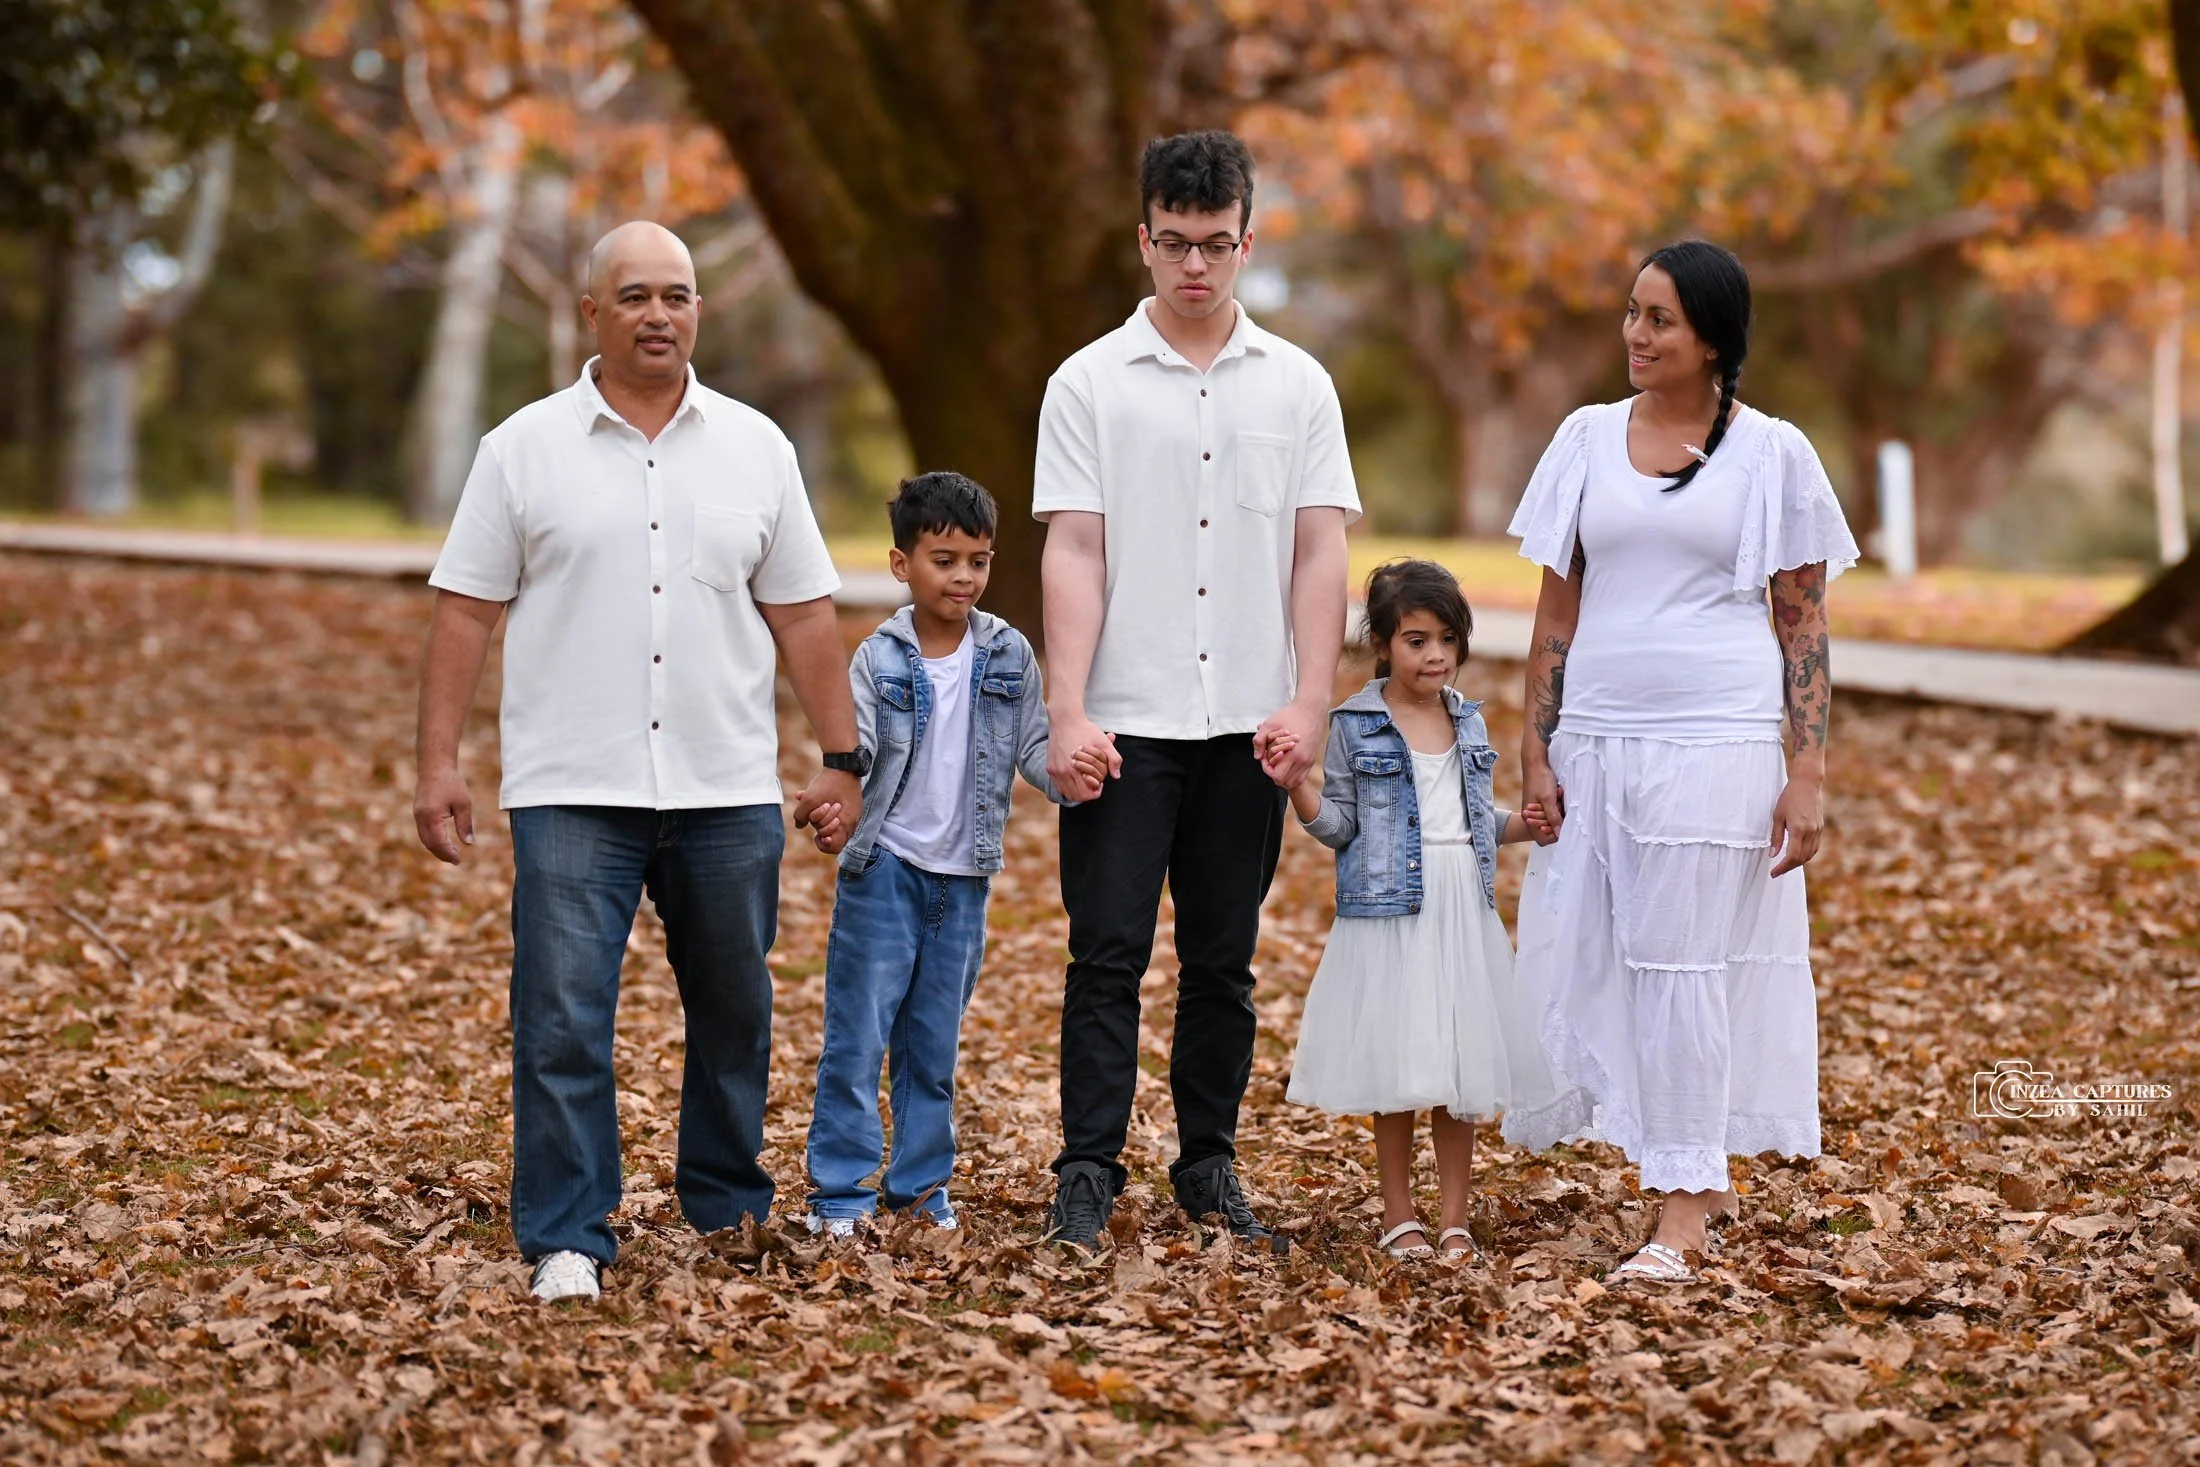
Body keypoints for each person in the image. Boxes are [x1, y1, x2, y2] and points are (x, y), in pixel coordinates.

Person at [412, 221, 866, 1304]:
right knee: (563, 1016)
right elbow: (463, 613)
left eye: (677, 295)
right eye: (633, 297)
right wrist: (438, 765)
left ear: (698, 311)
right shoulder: (521, 448)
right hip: (573, 788)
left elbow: (805, 616)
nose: (658, 314)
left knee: (734, 1011)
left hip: (724, 788)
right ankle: (568, 1235)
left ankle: (725, 1208)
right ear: (591, 315)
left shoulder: (756, 447)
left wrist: (842, 756)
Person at [1504, 240, 1859, 1284]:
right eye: (1630, 314)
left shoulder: (1774, 455)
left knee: (1680, 965)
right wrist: (1535, 749)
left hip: (1716, 744)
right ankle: (1679, 1167)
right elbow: (1554, 612)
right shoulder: (1581, 439)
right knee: (1604, 958)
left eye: (1658, 319)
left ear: (1712, 338)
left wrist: (1808, 771)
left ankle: (1683, 1215)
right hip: (1597, 740)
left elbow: (1802, 627)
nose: (1634, 335)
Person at [1033, 129, 1359, 1251]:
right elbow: (1074, 549)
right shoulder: (1087, 382)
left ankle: (1208, 1164)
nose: (1194, 269)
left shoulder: (1299, 385)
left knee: (1223, 959)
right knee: (1106, 955)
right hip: (1127, 719)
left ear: (1247, 241)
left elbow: (1320, 551)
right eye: (1173, 245)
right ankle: (1086, 1172)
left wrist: (1311, 699)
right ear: (1143, 238)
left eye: (1215, 246)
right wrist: (1066, 707)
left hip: (1250, 729)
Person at [799, 472, 1109, 1236]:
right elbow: (858, 747)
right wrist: (835, 799)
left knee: (932, 1045)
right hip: (885, 871)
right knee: (857, 1039)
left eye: (978, 559)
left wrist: (1074, 771)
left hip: (962, 881)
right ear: (903, 564)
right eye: (945, 559)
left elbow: (1036, 748)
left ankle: (920, 1192)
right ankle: (838, 1196)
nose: (964, 576)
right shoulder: (878, 657)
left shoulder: (1008, 653)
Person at [1270, 561, 1560, 1260]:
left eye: (1447, 640)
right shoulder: (1355, 724)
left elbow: (1470, 819)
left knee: (1459, 1072)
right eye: (1417, 640)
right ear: (1381, 642)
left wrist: (1525, 824)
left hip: (1461, 902)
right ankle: (1401, 1213)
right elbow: (1341, 825)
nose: (1435, 655)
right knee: (1400, 1063)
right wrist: (1299, 787)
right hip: (1391, 910)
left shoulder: (1468, 720)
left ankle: (1455, 1215)